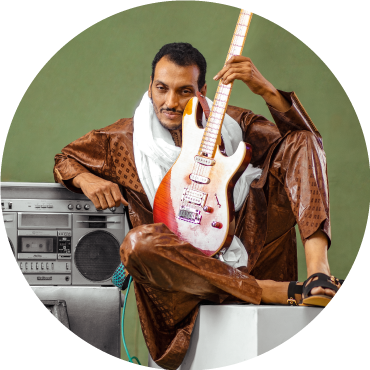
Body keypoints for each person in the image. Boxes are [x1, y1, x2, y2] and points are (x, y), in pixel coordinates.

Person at [53, 43, 341, 369]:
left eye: (184, 91)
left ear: (203, 90)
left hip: (251, 257)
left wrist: (267, 91)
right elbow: (65, 160)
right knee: (137, 245)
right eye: (161, 89)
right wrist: (85, 179)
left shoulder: (236, 124)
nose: (171, 102)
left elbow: (307, 147)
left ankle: (319, 275)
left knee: (302, 140)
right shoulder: (121, 140)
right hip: (180, 291)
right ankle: (266, 291)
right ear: (150, 86)